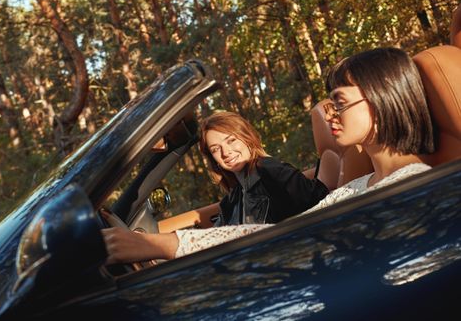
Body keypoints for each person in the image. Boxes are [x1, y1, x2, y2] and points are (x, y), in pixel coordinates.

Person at [102, 47, 435, 264]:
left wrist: (164, 246)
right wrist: (164, 244)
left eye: (340, 103)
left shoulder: (414, 191)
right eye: (216, 150)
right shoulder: (361, 186)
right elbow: (284, 231)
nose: (328, 113)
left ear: (383, 99)